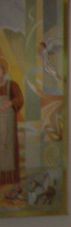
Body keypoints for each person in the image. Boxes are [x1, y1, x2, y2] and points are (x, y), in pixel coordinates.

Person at [0, 57, 24, 187]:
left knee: (7, 150)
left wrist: (10, 103)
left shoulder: (11, 85)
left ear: (3, 71)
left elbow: (20, 99)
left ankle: (9, 180)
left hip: (7, 123)